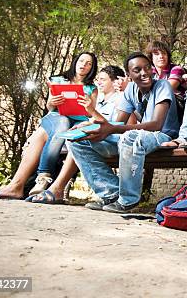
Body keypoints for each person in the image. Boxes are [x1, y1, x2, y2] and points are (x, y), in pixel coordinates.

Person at [0, 52, 98, 200]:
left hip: (77, 122)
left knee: (55, 130)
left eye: (88, 63)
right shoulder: (59, 80)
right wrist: (53, 102)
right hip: (56, 117)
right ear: (75, 61)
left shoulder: (92, 88)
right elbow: (49, 106)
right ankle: (42, 178)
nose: (84, 65)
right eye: (81, 60)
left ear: (92, 68)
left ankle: (17, 186)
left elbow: (91, 114)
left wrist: (88, 106)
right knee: (62, 122)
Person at [68, 52, 179, 213]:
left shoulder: (162, 85)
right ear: (128, 75)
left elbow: (156, 124)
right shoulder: (131, 90)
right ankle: (111, 193)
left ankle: (128, 200)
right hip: (138, 136)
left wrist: (112, 129)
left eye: (148, 68)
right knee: (79, 140)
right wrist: (91, 123)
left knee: (130, 137)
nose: (144, 73)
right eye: (137, 70)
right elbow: (117, 123)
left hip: (161, 135)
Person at [27, 65, 126, 204]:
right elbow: (96, 119)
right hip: (97, 137)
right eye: (98, 79)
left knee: (77, 141)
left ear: (115, 81)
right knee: (58, 136)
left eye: (103, 79)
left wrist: (91, 118)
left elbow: (123, 126)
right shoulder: (101, 102)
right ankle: (28, 183)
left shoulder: (122, 98)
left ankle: (57, 188)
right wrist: (87, 122)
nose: (98, 82)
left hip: (112, 141)